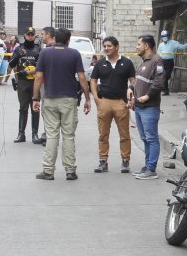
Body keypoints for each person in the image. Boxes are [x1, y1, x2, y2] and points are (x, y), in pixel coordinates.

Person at [32, 27, 92, 180]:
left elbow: (38, 77)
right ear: (68, 40)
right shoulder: (74, 54)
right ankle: (70, 170)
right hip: (69, 100)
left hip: (50, 98)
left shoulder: (45, 53)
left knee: (52, 135)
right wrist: (87, 98)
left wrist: (35, 98)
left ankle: (48, 170)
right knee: (68, 136)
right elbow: (82, 78)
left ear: (55, 38)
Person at [91, 36, 136, 174]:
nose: (106, 48)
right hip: (104, 102)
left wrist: (131, 93)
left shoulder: (127, 63)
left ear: (117, 47)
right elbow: (93, 81)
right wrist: (96, 99)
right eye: (104, 46)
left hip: (120, 103)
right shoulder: (100, 64)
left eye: (109, 46)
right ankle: (103, 161)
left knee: (124, 134)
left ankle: (125, 161)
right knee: (103, 134)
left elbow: (133, 80)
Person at [131, 34, 166, 180]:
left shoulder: (157, 60)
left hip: (149, 107)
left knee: (151, 138)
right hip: (139, 107)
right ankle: (147, 166)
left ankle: (151, 169)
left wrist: (148, 96)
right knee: (145, 138)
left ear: (146, 46)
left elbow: (159, 82)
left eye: (139, 44)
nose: (136, 47)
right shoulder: (144, 62)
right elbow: (138, 82)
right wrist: (132, 94)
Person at [11, 27, 43, 144]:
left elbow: (43, 66)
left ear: (34, 36)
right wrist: (17, 56)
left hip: (36, 82)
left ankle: (35, 134)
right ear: (24, 35)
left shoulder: (39, 49)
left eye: (32, 34)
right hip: (23, 82)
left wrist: (33, 68)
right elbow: (11, 64)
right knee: (23, 108)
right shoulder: (19, 49)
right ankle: (21, 134)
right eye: (28, 34)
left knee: (35, 108)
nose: (30, 36)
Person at [158, 29, 184, 96]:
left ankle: (164, 89)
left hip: (170, 62)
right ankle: (165, 91)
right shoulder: (161, 45)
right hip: (162, 62)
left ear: (168, 36)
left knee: (167, 76)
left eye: (165, 36)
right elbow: (158, 54)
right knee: (163, 76)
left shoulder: (173, 43)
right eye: (163, 36)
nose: (164, 37)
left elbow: (180, 46)